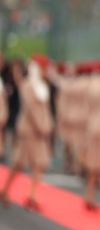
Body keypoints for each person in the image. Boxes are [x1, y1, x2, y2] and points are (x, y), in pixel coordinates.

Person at [0, 55, 53, 211]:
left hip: (38, 131)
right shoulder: (29, 85)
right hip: (29, 130)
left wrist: (46, 126)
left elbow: (44, 110)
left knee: (39, 163)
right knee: (19, 163)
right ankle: (5, 190)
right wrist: (41, 126)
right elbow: (31, 109)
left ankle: (32, 195)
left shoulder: (41, 86)